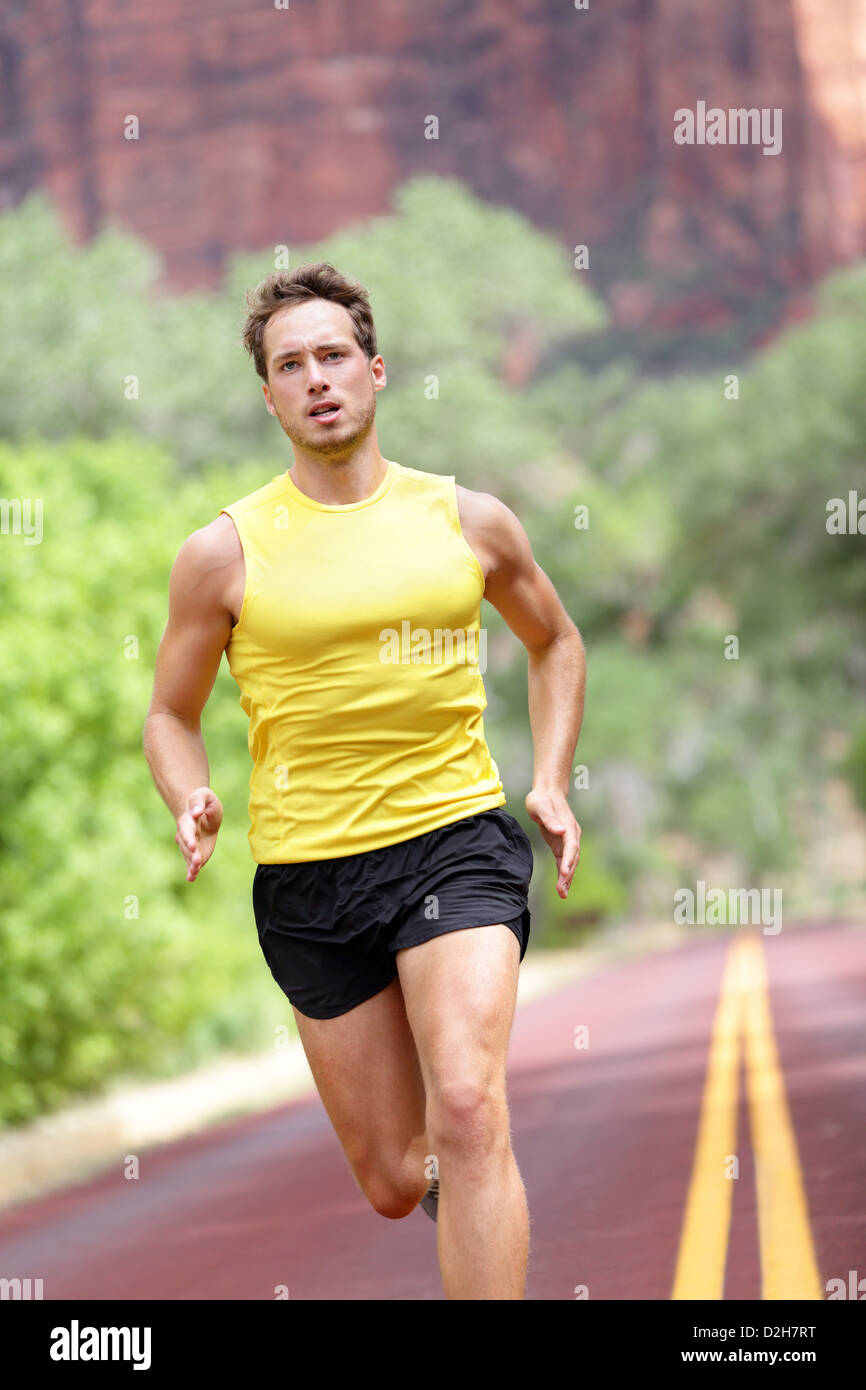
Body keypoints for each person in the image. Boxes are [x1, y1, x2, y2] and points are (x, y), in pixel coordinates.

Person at [142, 262, 585, 1300]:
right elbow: (169, 712)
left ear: (375, 371)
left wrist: (552, 780)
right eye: (289, 365)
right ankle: (472, 1202)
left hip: (455, 840)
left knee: (470, 1106)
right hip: (309, 877)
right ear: (268, 397)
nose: (316, 379)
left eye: (332, 355)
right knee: (396, 1176)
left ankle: (481, 1197)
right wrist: (189, 795)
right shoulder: (221, 553)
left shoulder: (466, 521)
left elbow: (554, 642)